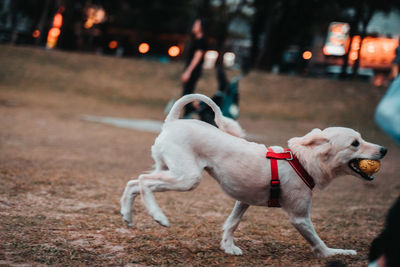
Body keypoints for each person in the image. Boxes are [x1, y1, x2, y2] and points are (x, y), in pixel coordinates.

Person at [181, 18, 207, 117]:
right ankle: (189, 112)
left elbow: (197, 57)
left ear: (201, 27)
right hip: (191, 70)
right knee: (187, 92)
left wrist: (188, 71)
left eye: (196, 25)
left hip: (193, 70)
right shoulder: (196, 40)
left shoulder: (201, 40)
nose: (194, 27)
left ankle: (190, 112)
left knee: (187, 93)